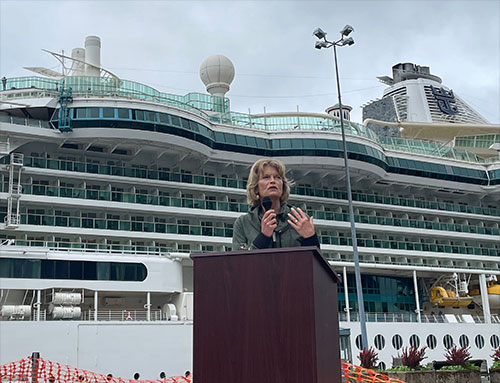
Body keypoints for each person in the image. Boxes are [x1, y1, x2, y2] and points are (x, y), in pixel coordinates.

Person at [232, 158, 319, 250]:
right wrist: (263, 237)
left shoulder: (300, 219)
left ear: (283, 185)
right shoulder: (243, 223)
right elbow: (240, 263)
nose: (272, 181)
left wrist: (311, 238)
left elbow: (315, 261)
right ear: (256, 187)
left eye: (277, 177)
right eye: (266, 177)